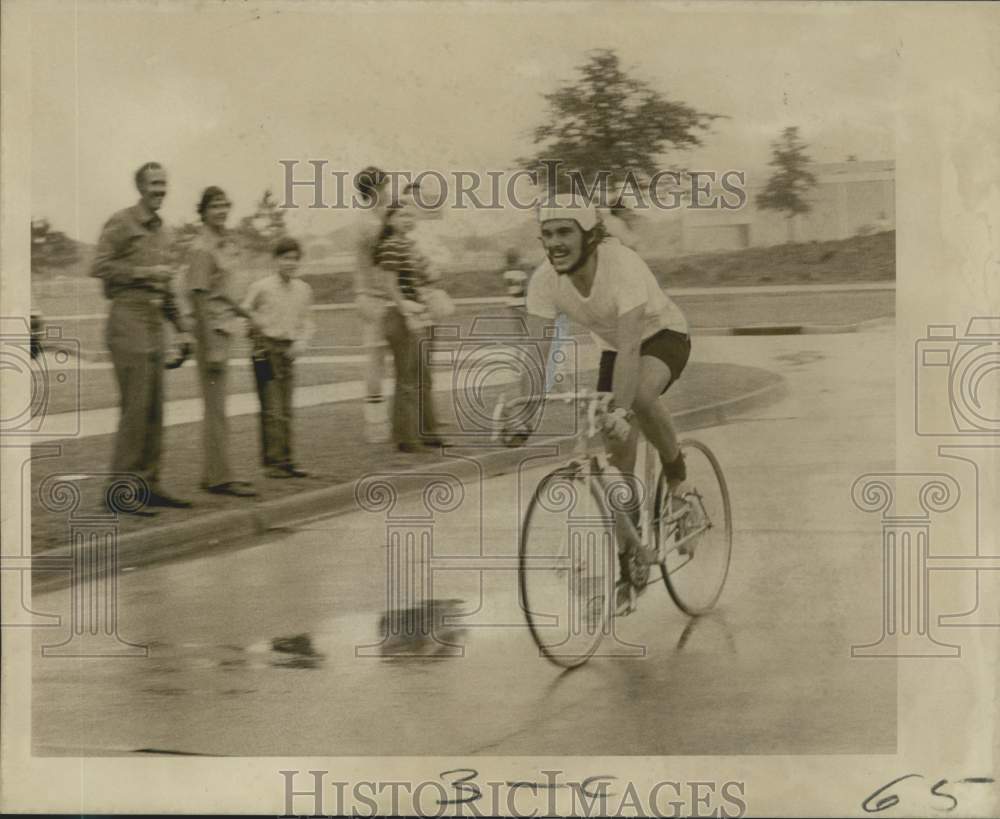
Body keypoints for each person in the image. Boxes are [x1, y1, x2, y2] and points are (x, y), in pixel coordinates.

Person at [521, 195, 692, 610]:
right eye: (547, 234)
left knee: (637, 396)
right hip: (615, 351)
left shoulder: (622, 266)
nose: (555, 242)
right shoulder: (545, 280)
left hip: (662, 335)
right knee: (617, 469)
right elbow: (535, 352)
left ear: (589, 236)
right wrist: (523, 406)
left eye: (565, 232)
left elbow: (633, 343)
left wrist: (620, 409)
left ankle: (678, 478)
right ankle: (629, 564)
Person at [90, 161, 193, 514]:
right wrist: (144, 271)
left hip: (153, 321)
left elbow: (166, 287)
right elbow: (99, 266)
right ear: (140, 187)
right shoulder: (122, 222)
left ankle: (148, 484)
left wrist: (181, 329)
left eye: (164, 183)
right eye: (153, 184)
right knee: (135, 409)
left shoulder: (164, 233)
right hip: (127, 319)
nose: (160, 190)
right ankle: (119, 492)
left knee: (154, 409)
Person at [186, 186, 256, 497]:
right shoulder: (202, 247)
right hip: (210, 333)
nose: (222, 210)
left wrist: (246, 313)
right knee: (216, 409)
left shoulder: (221, 244)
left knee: (219, 407)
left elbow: (223, 291)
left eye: (225, 205)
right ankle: (219, 478)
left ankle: (212, 473)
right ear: (203, 210)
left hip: (224, 329)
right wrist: (209, 344)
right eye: (215, 205)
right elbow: (199, 298)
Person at [373, 199, 444, 453]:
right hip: (401, 316)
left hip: (417, 313)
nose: (408, 220)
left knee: (422, 375)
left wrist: (430, 268)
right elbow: (389, 285)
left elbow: (430, 275)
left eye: (411, 216)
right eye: (402, 216)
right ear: (390, 220)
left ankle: (427, 432)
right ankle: (406, 438)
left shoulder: (409, 246)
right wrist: (406, 311)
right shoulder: (392, 245)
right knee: (407, 377)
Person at [242, 236, 315, 478]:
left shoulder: (304, 289)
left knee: (285, 408)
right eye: (285, 258)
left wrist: (301, 342)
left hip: (288, 350)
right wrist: (255, 331)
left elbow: (307, 321)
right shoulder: (262, 287)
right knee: (271, 408)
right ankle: (272, 463)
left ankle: (286, 460)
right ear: (276, 260)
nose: (290, 263)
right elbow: (245, 311)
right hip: (266, 349)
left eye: (294, 259)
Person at [353, 166, 393, 443]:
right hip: (375, 297)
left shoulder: (372, 220)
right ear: (376, 190)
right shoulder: (371, 224)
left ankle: (380, 422)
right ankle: (376, 424)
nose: (389, 192)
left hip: (373, 295)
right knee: (377, 360)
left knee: (378, 359)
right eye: (386, 187)